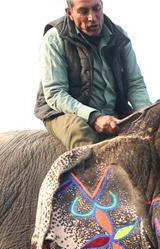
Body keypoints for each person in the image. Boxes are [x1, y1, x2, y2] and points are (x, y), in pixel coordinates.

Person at [35, 0, 152, 149]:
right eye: (83, 11)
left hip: (113, 113)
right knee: (80, 132)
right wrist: (94, 117)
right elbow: (55, 93)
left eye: (96, 9)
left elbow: (135, 84)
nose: (92, 17)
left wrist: (148, 115)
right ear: (69, 13)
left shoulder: (120, 36)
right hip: (62, 111)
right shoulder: (54, 39)